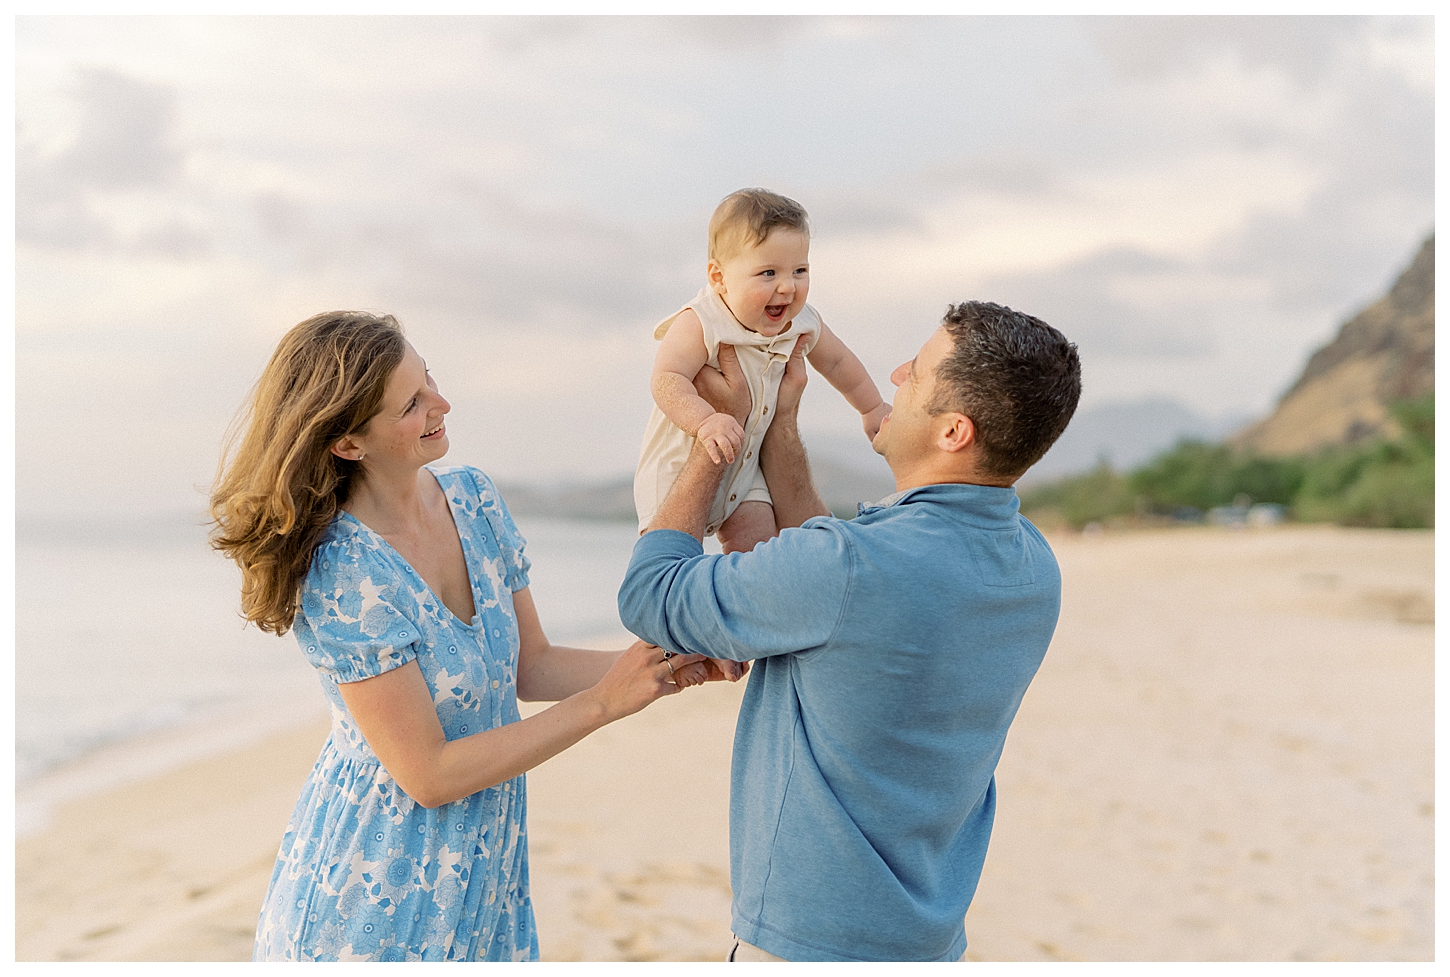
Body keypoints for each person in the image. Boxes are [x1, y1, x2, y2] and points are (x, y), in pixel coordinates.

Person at [210, 311, 729, 962]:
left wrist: (666, 663)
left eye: (430, 379)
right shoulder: (344, 571)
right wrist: (604, 703)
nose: (441, 404)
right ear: (348, 442)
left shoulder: (475, 500)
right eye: (412, 404)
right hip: (374, 892)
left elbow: (530, 666)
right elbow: (427, 773)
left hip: (484, 876)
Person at [619, 301, 1082, 962]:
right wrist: (777, 424)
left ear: (954, 430)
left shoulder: (849, 569)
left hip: (807, 946)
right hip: (927, 940)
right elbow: (830, 567)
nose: (893, 374)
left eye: (916, 373)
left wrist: (708, 445)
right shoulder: (1034, 567)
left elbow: (650, 594)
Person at [634, 188, 889, 553]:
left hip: (747, 469)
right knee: (669, 556)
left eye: (800, 270)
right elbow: (666, 379)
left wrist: (871, 407)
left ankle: (742, 603)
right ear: (719, 278)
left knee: (759, 548)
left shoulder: (802, 321)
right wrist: (706, 420)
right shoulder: (702, 321)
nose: (788, 287)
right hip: (679, 466)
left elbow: (838, 362)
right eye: (768, 272)